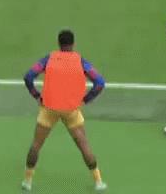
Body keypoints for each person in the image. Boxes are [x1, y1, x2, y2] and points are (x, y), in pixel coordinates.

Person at [21, 29, 106, 192]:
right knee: (84, 145)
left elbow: (29, 76)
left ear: (59, 43)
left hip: (49, 109)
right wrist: (85, 100)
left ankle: (27, 181)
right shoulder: (81, 62)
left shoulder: (48, 59)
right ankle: (98, 181)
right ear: (73, 44)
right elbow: (99, 82)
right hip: (71, 111)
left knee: (36, 145)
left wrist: (36, 95)